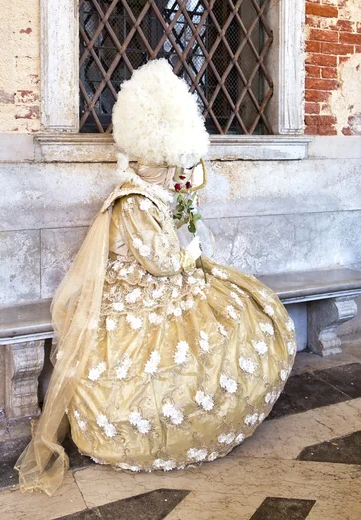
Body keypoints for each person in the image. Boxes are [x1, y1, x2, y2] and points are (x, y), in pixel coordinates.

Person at [15, 59, 296, 496]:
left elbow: (182, 210)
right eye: (166, 165)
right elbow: (161, 262)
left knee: (241, 309)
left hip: (155, 284)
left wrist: (186, 230)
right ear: (148, 162)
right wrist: (192, 257)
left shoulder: (149, 195)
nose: (173, 173)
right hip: (139, 292)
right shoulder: (134, 201)